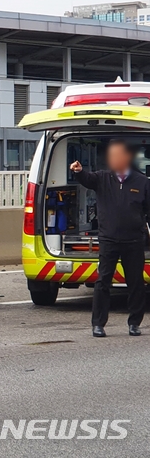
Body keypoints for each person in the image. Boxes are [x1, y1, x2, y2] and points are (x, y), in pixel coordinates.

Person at [70, 139, 150, 337]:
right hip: (109, 239)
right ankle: (98, 324)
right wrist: (78, 171)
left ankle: (134, 323)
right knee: (103, 281)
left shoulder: (142, 182)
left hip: (133, 240)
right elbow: (86, 179)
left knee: (135, 282)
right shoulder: (102, 178)